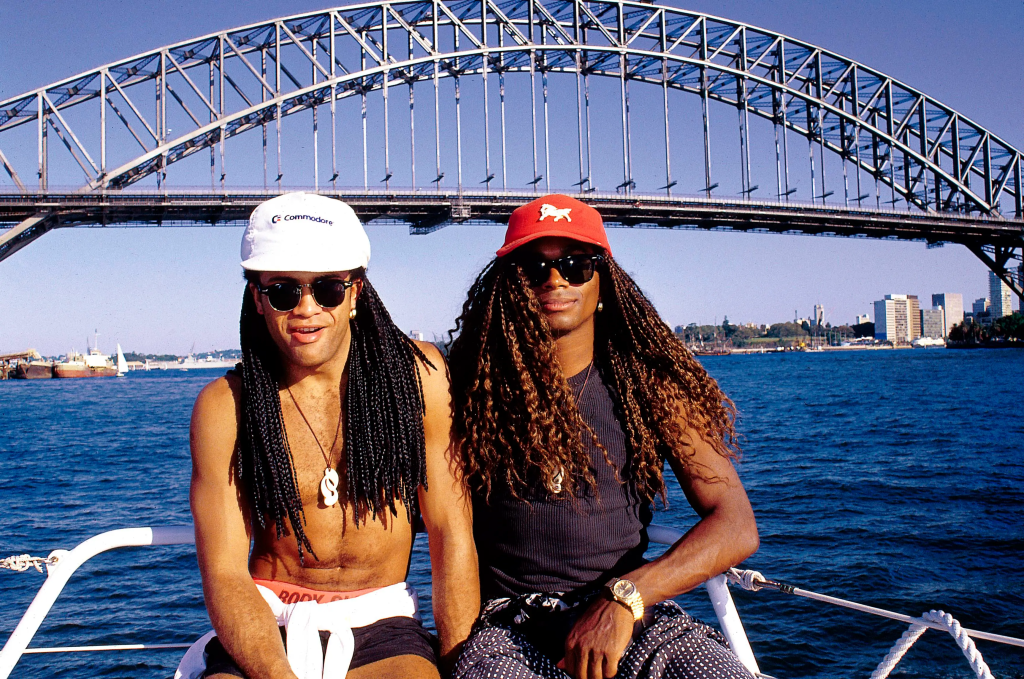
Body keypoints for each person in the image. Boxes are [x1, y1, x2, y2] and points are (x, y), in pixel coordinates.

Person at [447, 194, 759, 679]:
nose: (555, 280)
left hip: (631, 619)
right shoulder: (466, 392)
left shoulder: (648, 387)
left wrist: (626, 596)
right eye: (533, 269)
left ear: (603, 282)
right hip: (509, 633)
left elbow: (736, 524)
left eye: (576, 265)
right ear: (509, 285)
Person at [182, 192, 479, 679]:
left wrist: (459, 664)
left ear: (356, 292)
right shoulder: (226, 407)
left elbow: (451, 533)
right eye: (283, 291)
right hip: (268, 617)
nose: (306, 308)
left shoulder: (417, 378)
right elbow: (225, 572)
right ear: (257, 299)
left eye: (327, 289)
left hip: (382, 619)